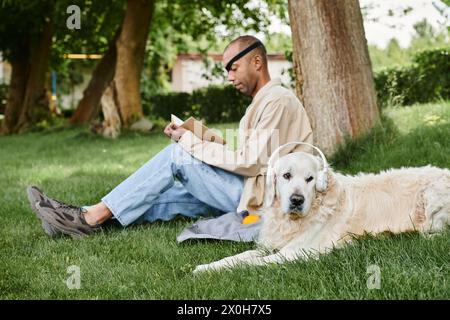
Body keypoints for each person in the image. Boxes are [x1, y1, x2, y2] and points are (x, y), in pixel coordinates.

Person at [27, 35, 313, 239]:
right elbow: (249, 157)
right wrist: (198, 135)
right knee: (169, 193)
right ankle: (76, 217)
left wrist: (188, 144)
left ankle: (88, 219)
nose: (228, 77)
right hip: (254, 189)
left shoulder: (276, 100)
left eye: (233, 68)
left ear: (257, 61)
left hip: (268, 200)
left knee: (177, 158)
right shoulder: (265, 101)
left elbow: (250, 163)